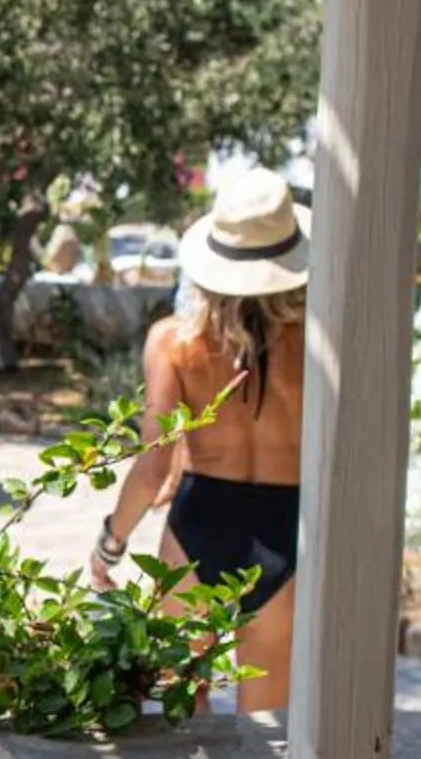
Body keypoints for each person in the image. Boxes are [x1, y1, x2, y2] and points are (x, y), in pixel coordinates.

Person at [88, 169, 309, 713]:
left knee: (183, 724)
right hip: (288, 528)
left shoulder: (175, 342)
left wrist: (111, 542)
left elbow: (151, 467)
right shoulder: (321, 343)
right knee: (269, 734)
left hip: (198, 525)